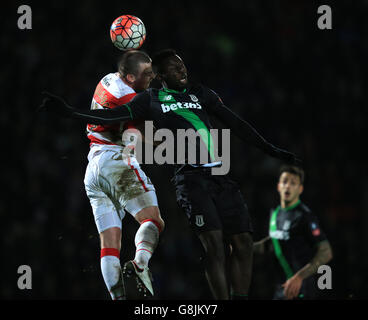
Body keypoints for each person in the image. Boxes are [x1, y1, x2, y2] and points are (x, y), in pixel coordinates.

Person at [39, 49, 301, 300]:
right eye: (174, 68)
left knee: (243, 242)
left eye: (182, 64)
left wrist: (270, 149)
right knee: (215, 246)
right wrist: (70, 112)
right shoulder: (150, 99)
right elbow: (112, 115)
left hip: (220, 176)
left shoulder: (201, 93)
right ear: (161, 76)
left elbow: (235, 123)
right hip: (190, 180)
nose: (182, 69)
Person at [44, 50, 165, 300]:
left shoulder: (107, 80)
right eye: (147, 73)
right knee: (153, 221)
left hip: (93, 169)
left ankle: (118, 298)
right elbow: (143, 136)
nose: (152, 75)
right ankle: (140, 265)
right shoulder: (131, 99)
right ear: (131, 77)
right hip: (115, 162)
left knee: (110, 244)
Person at [253, 165, 333, 299]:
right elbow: (272, 244)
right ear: (278, 186)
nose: (288, 186)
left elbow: (326, 252)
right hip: (281, 288)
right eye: (285, 181)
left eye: (293, 183)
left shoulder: (304, 216)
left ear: (300, 189)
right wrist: (242, 248)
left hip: (302, 288)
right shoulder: (276, 213)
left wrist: (299, 277)